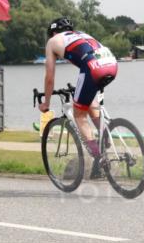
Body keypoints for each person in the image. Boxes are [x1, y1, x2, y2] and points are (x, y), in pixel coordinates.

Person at [38, 17, 118, 157]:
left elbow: (49, 78)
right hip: (111, 63)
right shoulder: (80, 35)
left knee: (79, 114)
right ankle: (105, 137)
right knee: (88, 104)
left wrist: (46, 103)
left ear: (53, 32)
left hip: (94, 68)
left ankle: (99, 158)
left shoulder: (53, 41)